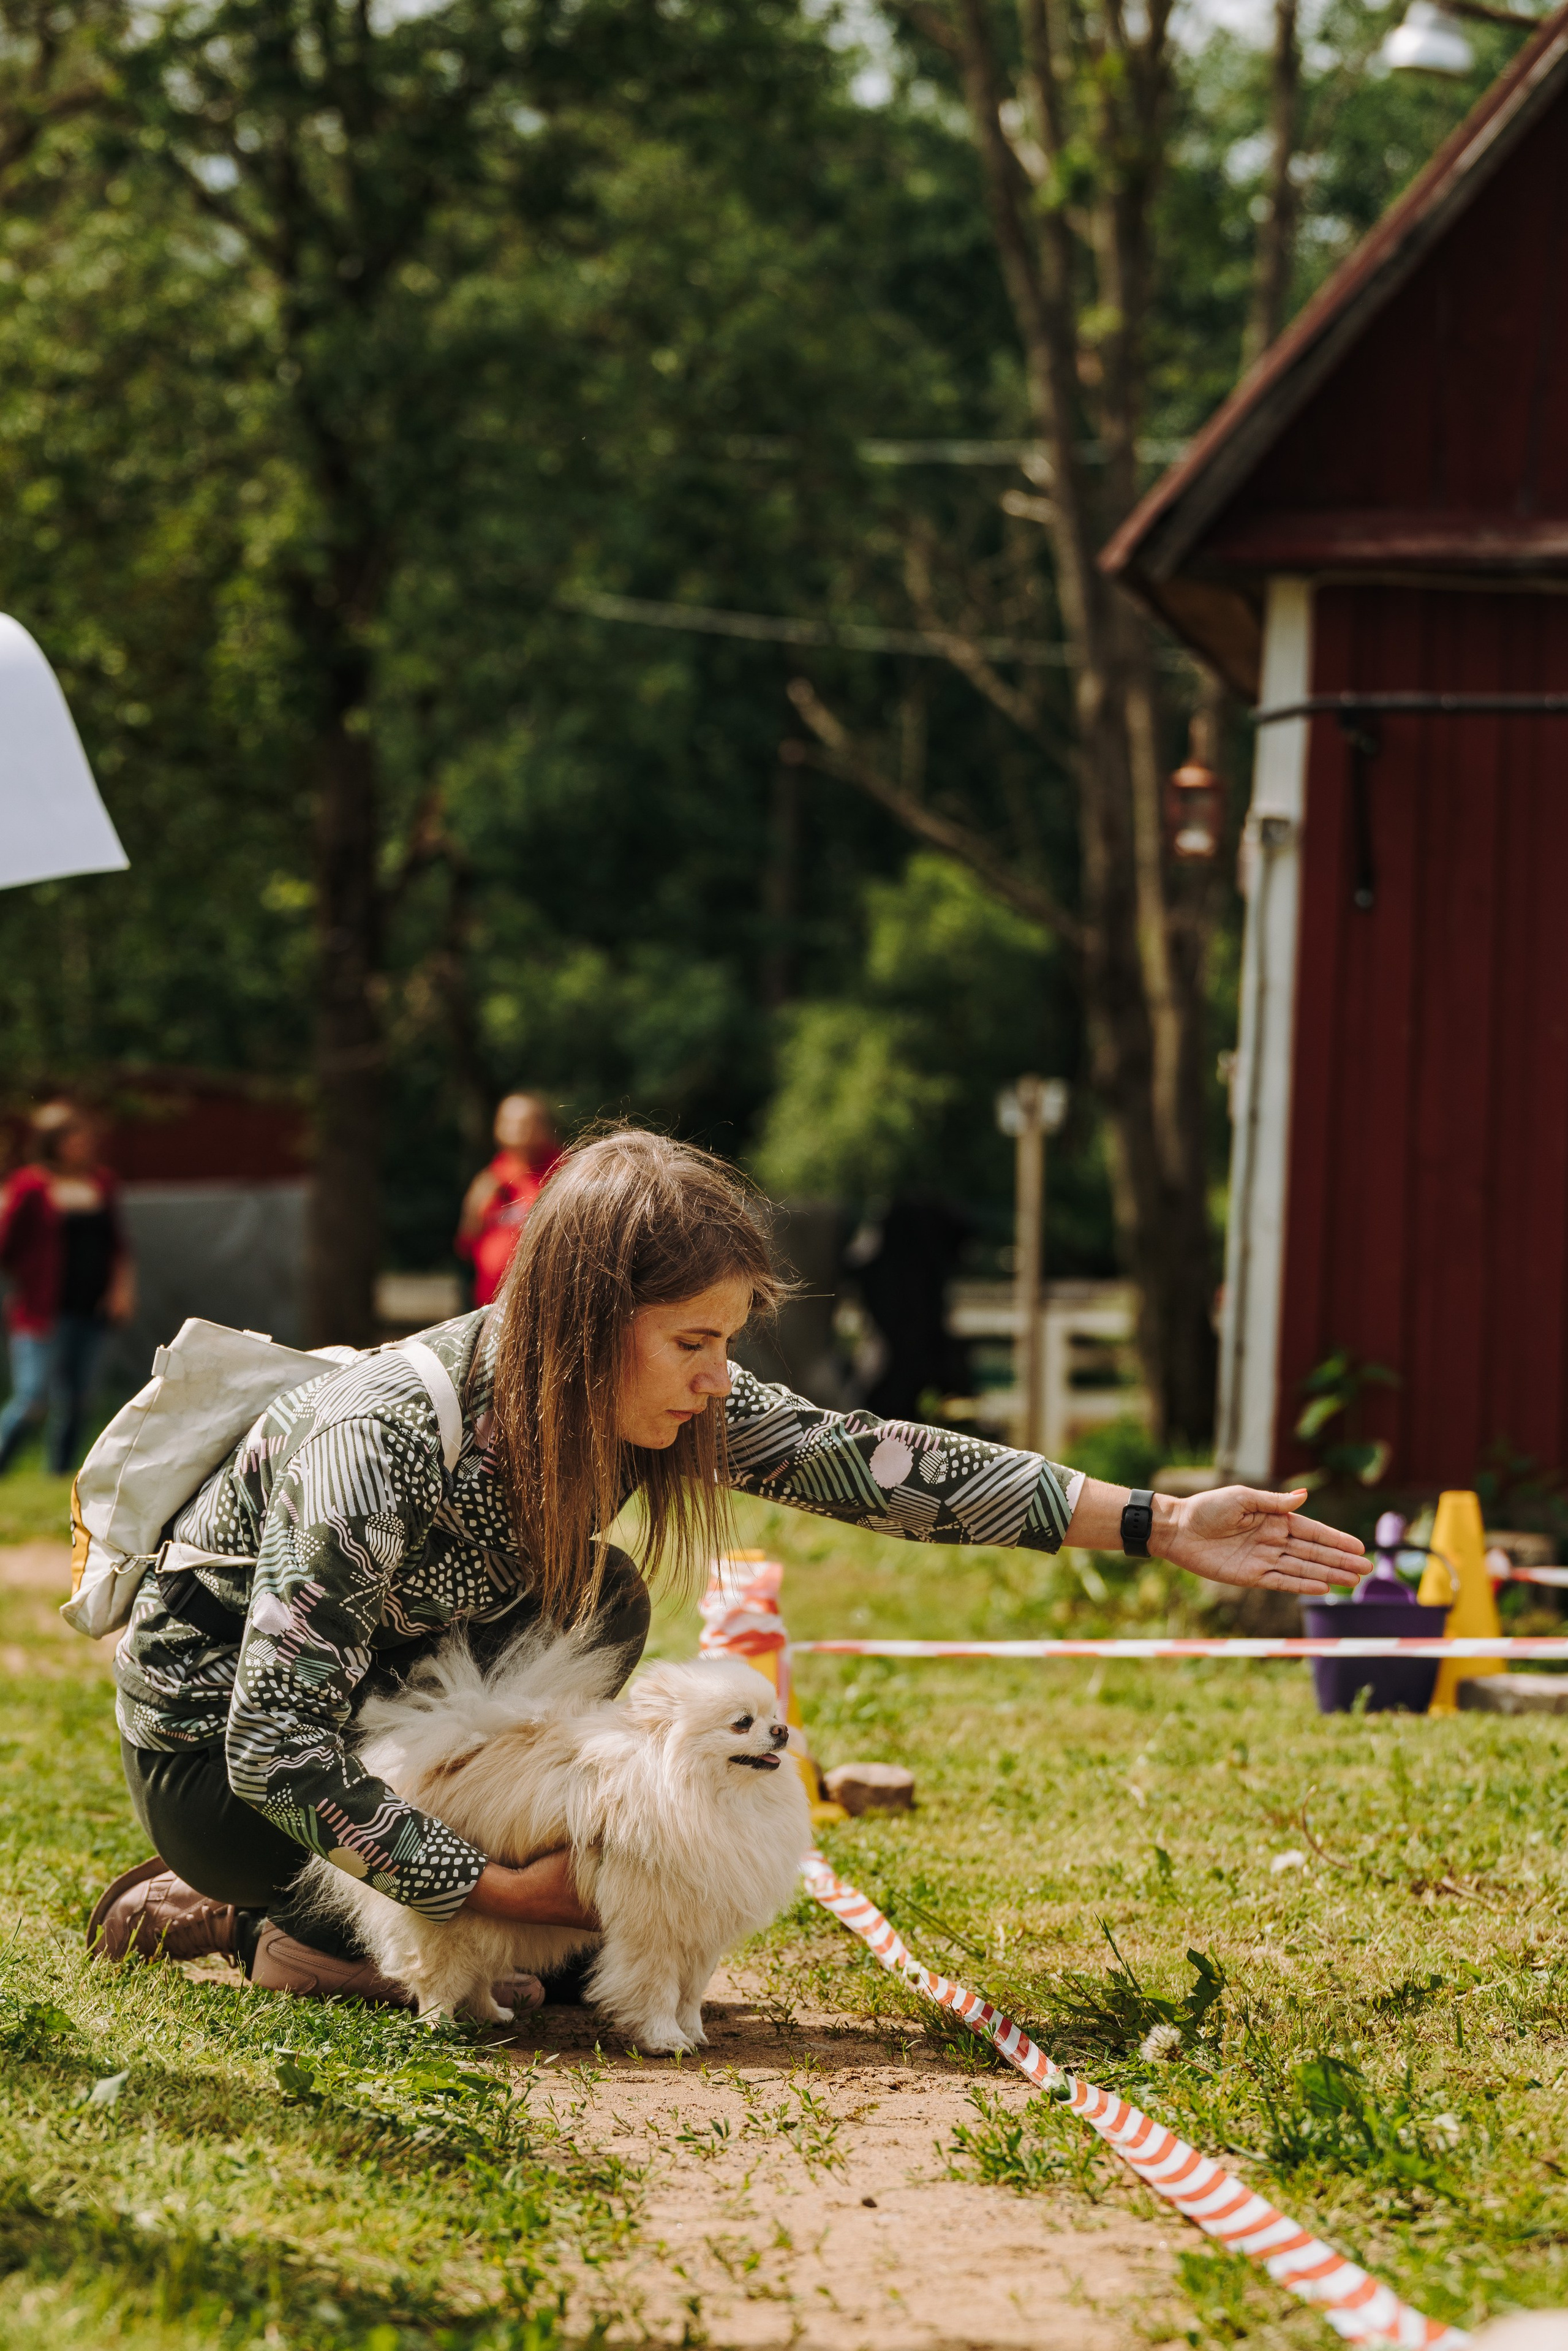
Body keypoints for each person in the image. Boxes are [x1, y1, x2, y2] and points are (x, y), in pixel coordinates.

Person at [90, 1128, 1363, 2001]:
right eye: (691, 1342)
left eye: (726, 1342)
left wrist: (1157, 1521)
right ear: (584, 1329)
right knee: (570, 1961)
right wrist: (493, 1884)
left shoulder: (660, 1391)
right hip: (223, 1774)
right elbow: (268, 1745)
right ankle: (254, 1913)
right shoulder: (374, 1440)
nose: (715, 1381)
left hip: (395, 1720)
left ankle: (376, 1927)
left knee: (602, 1605)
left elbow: (869, 1460)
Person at [0, 1101, 134, 1477]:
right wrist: (33, 1275)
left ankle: (58, 1476)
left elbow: (118, 1245)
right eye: (73, 1138)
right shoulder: (29, 1185)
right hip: (42, 1311)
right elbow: (7, 1245)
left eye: (84, 1137)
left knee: (78, 1401)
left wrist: (121, 1291)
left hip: (91, 1309)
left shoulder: (101, 1182)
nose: (82, 1145)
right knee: (32, 1399)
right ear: (51, 1142)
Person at [456, 1092, 563, 1307]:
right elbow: (466, 1244)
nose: (516, 1129)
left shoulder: (563, 1174)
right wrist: (473, 1208)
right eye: (508, 1121)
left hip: (544, 1301)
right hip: (491, 1304)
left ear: (544, 1127)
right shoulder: (491, 1180)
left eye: (526, 1122)